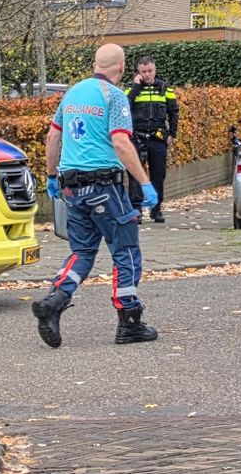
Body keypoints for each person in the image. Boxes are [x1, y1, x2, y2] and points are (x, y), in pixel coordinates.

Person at [34, 43, 160, 349]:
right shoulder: (114, 96)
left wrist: (51, 177)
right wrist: (145, 182)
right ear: (122, 67)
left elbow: (53, 136)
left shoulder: (72, 93)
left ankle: (54, 301)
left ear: (95, 64)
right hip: (105, 188)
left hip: (72, 188)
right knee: (126, 251)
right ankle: (129, 322)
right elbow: (120, 143)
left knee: (82, 251)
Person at [126, 57, 178, 223]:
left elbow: (173, 112)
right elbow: (125, 106)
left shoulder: (165, 88)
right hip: (137, 136)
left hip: (157, 137)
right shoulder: (131, 88)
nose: (147, 74)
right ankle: (136, 210)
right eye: (143, 72)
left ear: (155, 70)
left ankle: (156, 210)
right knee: (135, 174)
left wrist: (172, 134)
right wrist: (135, 87)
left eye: (150, 71)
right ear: (138, 72)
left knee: (158, 175)